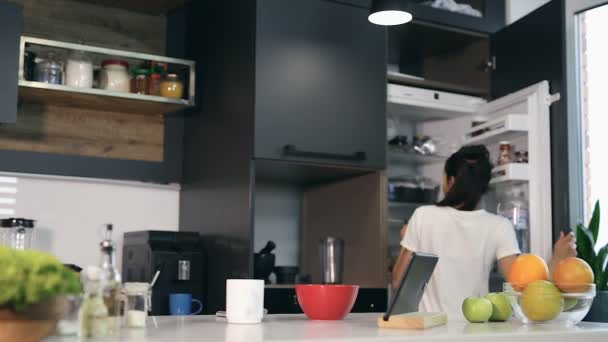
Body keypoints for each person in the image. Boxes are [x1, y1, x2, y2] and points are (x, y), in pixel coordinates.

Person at [392, 145, 576, 316]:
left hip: (430, 330)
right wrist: (558, 258)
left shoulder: (423, 216)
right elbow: (524, 289)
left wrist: (407, 239)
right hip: (475, 329)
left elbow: (398, 283)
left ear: (451, 180)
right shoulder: (499, 226)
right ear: (484, 186)